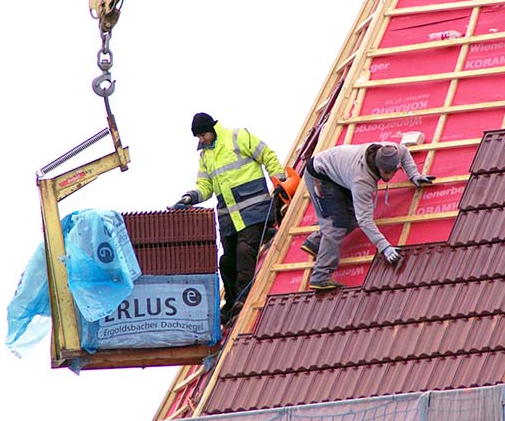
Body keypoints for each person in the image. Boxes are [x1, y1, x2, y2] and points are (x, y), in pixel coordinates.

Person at [172, 112, 286, 323]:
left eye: (202, 135)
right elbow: (205, 186)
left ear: (212, 129)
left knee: (245, 251)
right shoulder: (205, 157)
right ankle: (232, 302)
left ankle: (243, 297)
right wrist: (189, 198)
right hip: (229, 219)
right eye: (198, 137)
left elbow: (267, 154)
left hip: (254, 211)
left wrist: (279, 180)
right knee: (226, 261)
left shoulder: (237, 136)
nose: (201, 140)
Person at [301, 142, 434, 291]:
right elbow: (364, 220)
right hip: (320, 175)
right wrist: (384, 247)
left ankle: (315, 243)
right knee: (336, 226)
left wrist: (414, 175)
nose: (389, 177)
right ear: (378, 166)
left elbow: (403, 151)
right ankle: (320, 276)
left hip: (340, 173)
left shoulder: (389, 150)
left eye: (393, 172)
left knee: (351, 218)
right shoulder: (362, 181)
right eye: (386, 173)